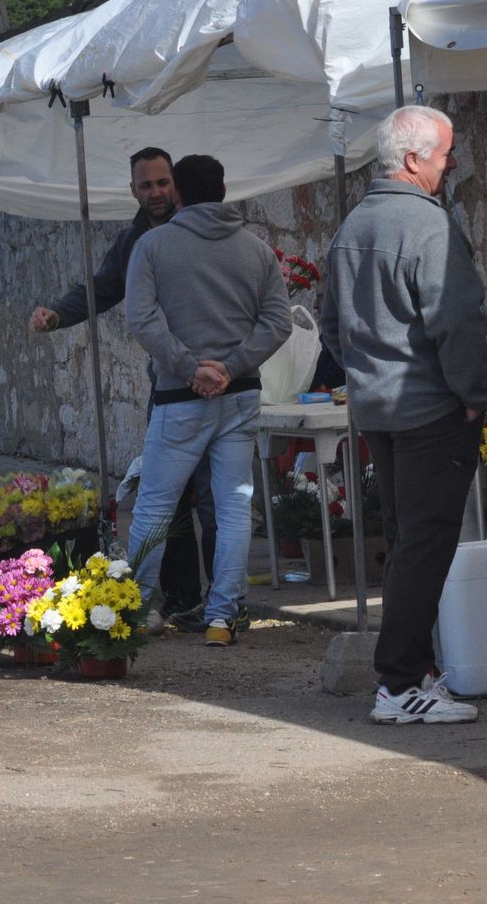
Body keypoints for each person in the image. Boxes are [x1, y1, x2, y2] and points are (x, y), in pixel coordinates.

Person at [319, 105, 487, 724]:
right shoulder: (429, 228)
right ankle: (399, 685)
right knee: (424, 546)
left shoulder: (352, 226)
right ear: (416, 160)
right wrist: (474, 393)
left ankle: (411, 674)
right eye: (445, 154)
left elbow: (331, 324)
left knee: (404, 543)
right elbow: (457, 322)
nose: (450, 166)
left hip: (379, 409)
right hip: (429, 409)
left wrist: (364, 376)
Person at [29, 146, 217, 628]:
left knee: (218, 499)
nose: (156, 192)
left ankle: (222, 605)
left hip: (221, 381)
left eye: (162, 183)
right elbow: (103, 288)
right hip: (173, 387)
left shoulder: (203, 227)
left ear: (176, 183)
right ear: (133, 190)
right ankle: (183, 599)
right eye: (146, 185)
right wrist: (58, 314)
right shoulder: (135, 240)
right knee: (169, 495)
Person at [124, 154, 291, 647]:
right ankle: (222, 617)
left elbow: (142, 319)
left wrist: (190, 367)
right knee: (235, 506)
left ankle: (133, 610)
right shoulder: (256, 250)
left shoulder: (153, 246)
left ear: (178, 192)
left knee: (154, 504)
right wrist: (233, 366)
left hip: (180, 397)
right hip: (239, 396)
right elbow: (278, 322)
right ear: (223, 191)